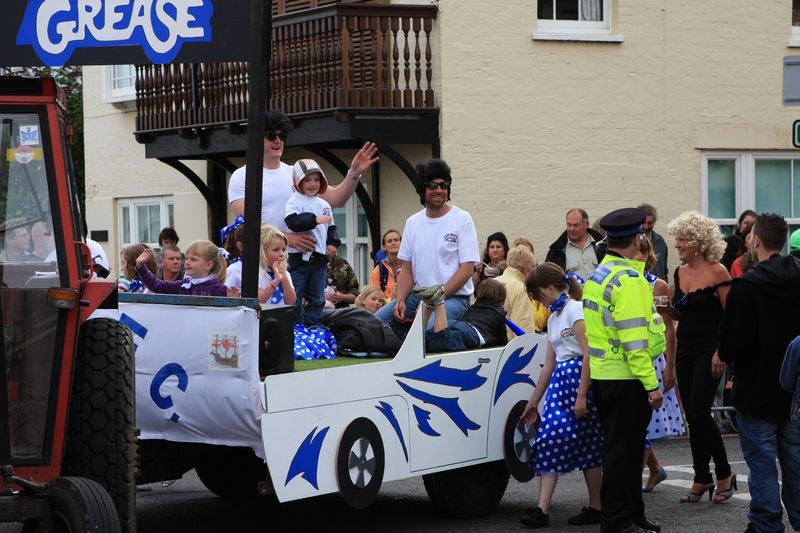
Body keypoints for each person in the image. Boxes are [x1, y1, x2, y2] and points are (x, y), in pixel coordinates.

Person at [583, 207, 664, 533]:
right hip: (627, 377)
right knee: (623, 454)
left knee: (625, 450)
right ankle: (617, 521)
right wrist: (651, 385)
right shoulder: (629, 281)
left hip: (606, 376)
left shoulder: (598, 275)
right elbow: (634, 341)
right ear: (637, 238)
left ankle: (632, 514)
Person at [719, 213, 800, 533]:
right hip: (795, 389)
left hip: (756, 387)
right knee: (794, 458)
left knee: (763, 462)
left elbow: (730, 346)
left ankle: (766, 523)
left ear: (755, 240)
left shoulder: (746, 286)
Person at [520, 263, 603, 529]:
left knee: (588, 443)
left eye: (537, 294)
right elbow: (549, 364)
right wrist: (533, 402)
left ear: (549, 287)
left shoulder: (575, 310)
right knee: (549, 439)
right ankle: (541, 509)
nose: (537, 300)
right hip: (560, 384)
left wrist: (581, 394)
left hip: (579, 381)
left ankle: (596, 507)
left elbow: (588, 352)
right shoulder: (554, 318)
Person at [227, 111, 378, 254]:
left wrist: (354, 173)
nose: (278, 140)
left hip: (303, 259)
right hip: (266, 260)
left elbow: (337, 199)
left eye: (282, 136)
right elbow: (248, 224)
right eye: (271, 135)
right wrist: (284, 238)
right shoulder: (242, 176)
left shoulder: (297, 172)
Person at [666, 211, 734, 505]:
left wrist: (722, 352)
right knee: (693, 417)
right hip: (686, 348)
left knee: (698, 411)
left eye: (682, 240)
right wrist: (667, 312)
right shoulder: (679, 273)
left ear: (698, 242)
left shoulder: (718, 271)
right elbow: (682, 312)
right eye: (677, 239)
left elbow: (730, 317)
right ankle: (701, 476)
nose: (678, 245)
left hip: (710, 348)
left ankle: (724, 473)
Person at [375, 159, 479, 331]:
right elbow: (407, 269)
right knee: (374, 324)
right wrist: (400, 299)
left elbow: (467, 269)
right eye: (433, 185)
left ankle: (460, 331)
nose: (439, 190)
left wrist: (436, 298)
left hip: (453, 298)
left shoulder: (462, 219)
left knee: (429, 331)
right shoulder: (412, 222)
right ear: (422, 189)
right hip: (418, 297)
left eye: (444, 185)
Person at [636, 237, 685, 493]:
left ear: (649, 255)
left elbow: (667, 328)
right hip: (629, 359)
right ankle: (655, 469)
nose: (637, 257)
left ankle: (633, 484)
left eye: (642, 252)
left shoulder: (658, 285)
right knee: (638, 423)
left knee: (643, 423)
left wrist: (669, 366)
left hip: (652, 359)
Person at [285, 159, 341, 326]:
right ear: (298, 182)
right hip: (299, 259)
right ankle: (294, 330)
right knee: (296, 297)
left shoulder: (324, 204)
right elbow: (292, 221)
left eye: (316, 179)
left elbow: (331, 227)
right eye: (307, 180)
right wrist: (314, 219)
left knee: (317, 297)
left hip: (319, 259)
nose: (312, 184)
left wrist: (332, 244)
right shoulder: (294, 201)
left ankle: (314, 328)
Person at [418, 278, 507, 352]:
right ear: (501, 299)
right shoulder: (499, 311)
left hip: (457, 324)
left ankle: (428, 305)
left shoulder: (474, 306)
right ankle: (439, 302)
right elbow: (502, 340)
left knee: (427, 339)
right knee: (443, 342)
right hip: (472, 333)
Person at [135, 240, 227, 296]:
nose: (187, 262)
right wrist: (141, 266)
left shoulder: (220, 290)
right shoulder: (182, 285)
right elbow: (156, 285)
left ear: (208, 265)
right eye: (187, 258)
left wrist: (233, 300)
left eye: (193, 259)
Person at [546, 208, 606, 280]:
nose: (571, 229)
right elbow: (549, 280)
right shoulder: (556, 252)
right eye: (569, 225)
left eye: (576, 225)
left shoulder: (603, 245)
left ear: (586, 224)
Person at [495, 245, 535, 337]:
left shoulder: (490, 283)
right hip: (510, 348)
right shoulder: (521, 289)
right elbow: (524, 330)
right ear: (526, 270)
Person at [257, 225, 296, 306]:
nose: (282, 254)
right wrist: (276, 280)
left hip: (281, 316)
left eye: (284, 249)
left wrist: (283, 276)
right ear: (262, 251)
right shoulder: (257, 272)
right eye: (276, 250)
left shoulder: (286, 274)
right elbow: (260, 300)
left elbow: (291, 302)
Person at [637, 203, 668, 281]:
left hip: (658, 288)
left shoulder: (660, 241)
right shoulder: (632, 241)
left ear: (654, 222)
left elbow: (664, 270)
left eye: (650, 223)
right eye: (643, 222)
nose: (646, 226)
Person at [369, 229, 402, 301]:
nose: (393, 243)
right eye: (389, 241)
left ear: (402, 243)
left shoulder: (410, 266)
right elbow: (374, 296)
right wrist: (390, 300)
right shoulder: (378, 271)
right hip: (386, 307)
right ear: (384, 247)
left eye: (396, 240)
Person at [325, 244, 359, 309]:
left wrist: (342, 297)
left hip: (340, 311)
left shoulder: (342, 263)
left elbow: (355, 297)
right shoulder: (308, 262)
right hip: (314, 311)